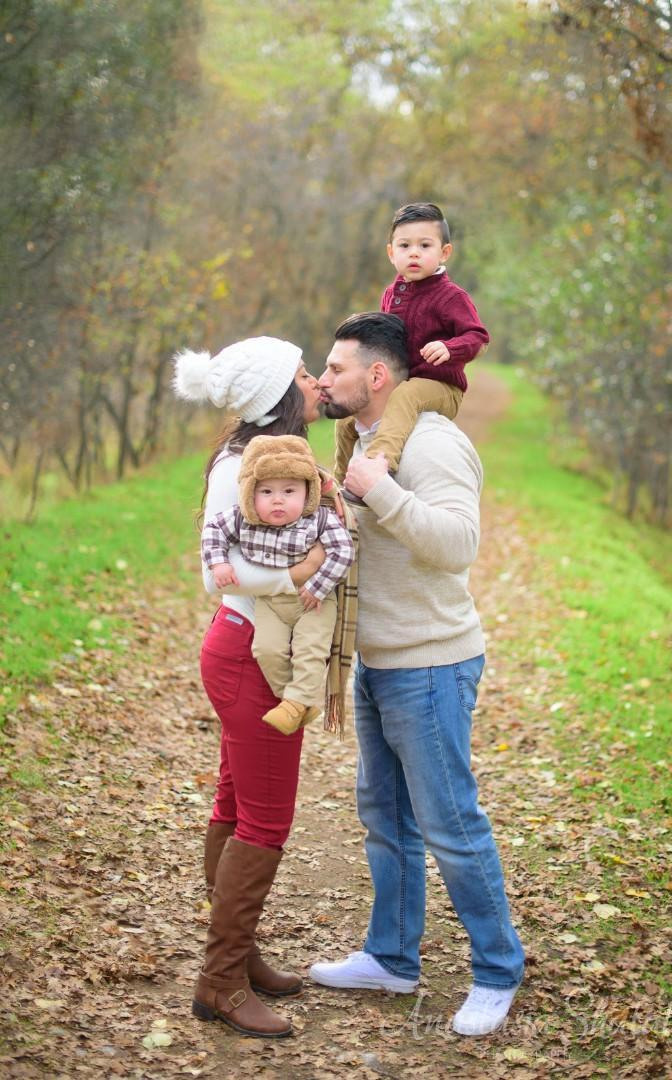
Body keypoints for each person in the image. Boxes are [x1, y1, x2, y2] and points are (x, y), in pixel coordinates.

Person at [311, 312, 524, 1037]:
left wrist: (384, 493)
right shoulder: (364, 441)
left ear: (377, 375)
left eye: (336, 367)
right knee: (387, 823)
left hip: (432, 664)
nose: (325, 378)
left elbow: (459, 544)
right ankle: (392, 957)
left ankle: (497, 972)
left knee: (451, 826)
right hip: (380, 661)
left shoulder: (434, 443)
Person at [173, 336, 332, 1039]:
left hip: (246, 648)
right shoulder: (238, 468)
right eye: (302, 374)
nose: (314, 381)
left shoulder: (274, 464)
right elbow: (215, 572)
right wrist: (298, 577)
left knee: (237, 804)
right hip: (250, 656)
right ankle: (220, 982)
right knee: (265, 820)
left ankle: (239, 960)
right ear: (278, 396)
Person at [201, 433, 355, 735]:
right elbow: (212, 530)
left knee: (309, 650)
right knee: (266, 650)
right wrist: (219, 562)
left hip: (315, 601)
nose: (278, 500)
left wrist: (318, 586)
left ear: (306, 493)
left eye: (289, 491)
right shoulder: (243, 520)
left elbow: (343, 550)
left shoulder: (320, 519)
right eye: (267, 491)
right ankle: (298, 701)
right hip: (272, 603)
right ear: (250, 494)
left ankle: (297, 703)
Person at [334, 202, 490, 494]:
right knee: (348, 414)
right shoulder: (391, 294)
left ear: (444, 252)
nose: (414, 253)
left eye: (425, 245)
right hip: (401, 381)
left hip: (440, 387)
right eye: (404, 245)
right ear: (392, 253)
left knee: (406, 395)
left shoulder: (450, 296)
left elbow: (478, 336)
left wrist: (450, 347)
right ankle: (341, 484)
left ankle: (380, 462)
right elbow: (385, 340)